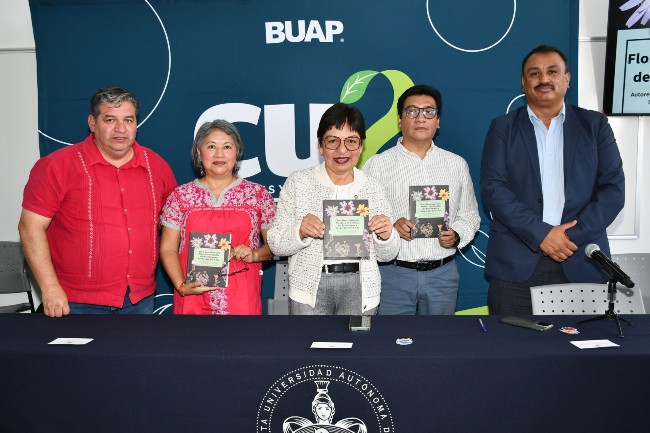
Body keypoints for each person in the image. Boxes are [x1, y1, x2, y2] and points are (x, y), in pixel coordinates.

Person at [480, 45, 625, 314]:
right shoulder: (502, 127)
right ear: (524, 82)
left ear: (567, 79)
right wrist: (542, 235)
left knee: (585, 342)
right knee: (509, 340)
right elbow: (494, 189)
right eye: (534, 73)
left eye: (552, 71)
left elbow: (613, 190)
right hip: (516, 266)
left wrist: (566, 238)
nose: (543, 79)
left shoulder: (595, 125)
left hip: (581, 259)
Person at [18, 86, 177, 317]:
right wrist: (50, 287)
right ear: (92, 123)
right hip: (75, 302)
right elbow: (30, 227)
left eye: (128, 120)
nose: (120, 129)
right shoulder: (57, 166)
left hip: (139, 300)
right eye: (110, 119)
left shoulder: (157, 167)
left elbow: (173, 225)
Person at [267, 103, 399, 315]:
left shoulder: (373, 188)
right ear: (320, 145)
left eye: (351, 141)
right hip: (308, 289)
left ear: (361, 146)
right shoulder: (298, 182)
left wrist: (387, 236)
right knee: (306, 338)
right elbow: (275, 243)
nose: (342, 150)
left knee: (360, 338)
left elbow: (388, 255)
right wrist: (299, 232)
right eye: (332, 141)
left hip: (362, 288)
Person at [362, 85, 480, 315]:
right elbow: (361, 219)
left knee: (440, 337)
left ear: (438, 121)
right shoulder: (377, 165)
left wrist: (456, 235)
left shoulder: (456, 165)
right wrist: (390, 227)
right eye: (412, 111)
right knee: (391, 337)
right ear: (399, 119)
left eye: (429, 111)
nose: (420, 118)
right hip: (393, 274)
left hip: (442, 275)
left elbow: (469, 215)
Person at [159, 120, 276, 315]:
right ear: (199, 153)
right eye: (211, 146)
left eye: (227, 147)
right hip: (192, 298)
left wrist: (255, 254)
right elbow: (168, 249)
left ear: (237, 153)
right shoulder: (180, 196)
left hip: (242, 299)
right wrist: (181, 285)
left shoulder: (258, 195)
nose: (219, 154)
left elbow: (274, 246)